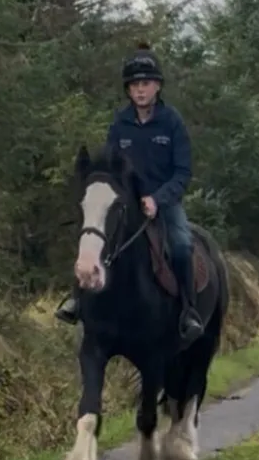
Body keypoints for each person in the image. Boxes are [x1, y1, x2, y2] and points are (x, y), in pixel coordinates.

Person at [56, 42, 204, 346]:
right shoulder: (119, 123)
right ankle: (77, 301)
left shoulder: (172, 122)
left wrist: (157, 199)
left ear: (158, 86)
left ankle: (188, 311)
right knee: (95, 234)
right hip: (127, 203)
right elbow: (111, 167)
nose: (140, 90)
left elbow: (183, 172)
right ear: (128, 90)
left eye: (146, 84)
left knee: (180, 244)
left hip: (164, 202)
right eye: (135, 84)